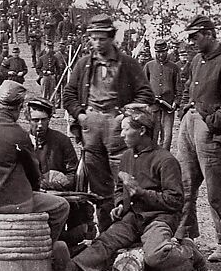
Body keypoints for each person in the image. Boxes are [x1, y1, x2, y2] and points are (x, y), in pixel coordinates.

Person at [65, 106, 205, 271]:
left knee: (154, 257)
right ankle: (74, 268)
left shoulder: (165, 160)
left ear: (142, 131)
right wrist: (119, 205)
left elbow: (176, 201)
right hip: (132, 218)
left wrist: (141, 193)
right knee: (105, 242)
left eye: (125, 129)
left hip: (158, 219)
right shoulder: (127, 157)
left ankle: (189, 252)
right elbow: (118, 189)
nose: (122, 135)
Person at [61, 14, 154, 232]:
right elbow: (69, 94)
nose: (97, 43)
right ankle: (105, 234)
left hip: (116, 125)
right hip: (91, 125)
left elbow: (146, 94)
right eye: (93, 38)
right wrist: (81, 115)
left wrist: (124, 114)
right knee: (98, 184)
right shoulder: (84, 64)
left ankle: (126, 231)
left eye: (102, 38)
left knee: (123, 178)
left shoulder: (128, 64)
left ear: (111, 38)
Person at [0, 81, 70, 242]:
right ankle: (43, 252)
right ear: (19, 108)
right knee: (61, 206)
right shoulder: (18, 134)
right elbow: (34, 177)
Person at [176, 15, 221, 263]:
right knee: (183, 185)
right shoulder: (196, 60)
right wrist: (186, 110)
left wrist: (211, 122)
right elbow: (187, 89)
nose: (191, 42)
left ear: (210, 34)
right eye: (190, 37)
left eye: (196, 36)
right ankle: (185, 236)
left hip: (214, 132)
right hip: (189, 127)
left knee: (218, 190)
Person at [26, 95, 78, 190]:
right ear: (28, 120)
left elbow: (73, 173)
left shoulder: (62, 140)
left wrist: (58, 183)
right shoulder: (23, 142)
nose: (40, 125)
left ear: (49, 119)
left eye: (44, 120)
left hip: (58, 193)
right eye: (35, 120)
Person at [143, 39, 180, 151]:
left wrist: (176, 102)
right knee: (152, 135)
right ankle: (151, 159)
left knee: (167, 137)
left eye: (163, 51)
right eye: (158, 52)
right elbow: (143, 86)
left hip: (168, 107)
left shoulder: (173, 67)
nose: (160, 54)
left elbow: (179, 88)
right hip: (153, 107)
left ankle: (164, 160)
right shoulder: (149, 66)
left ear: (167, 51)